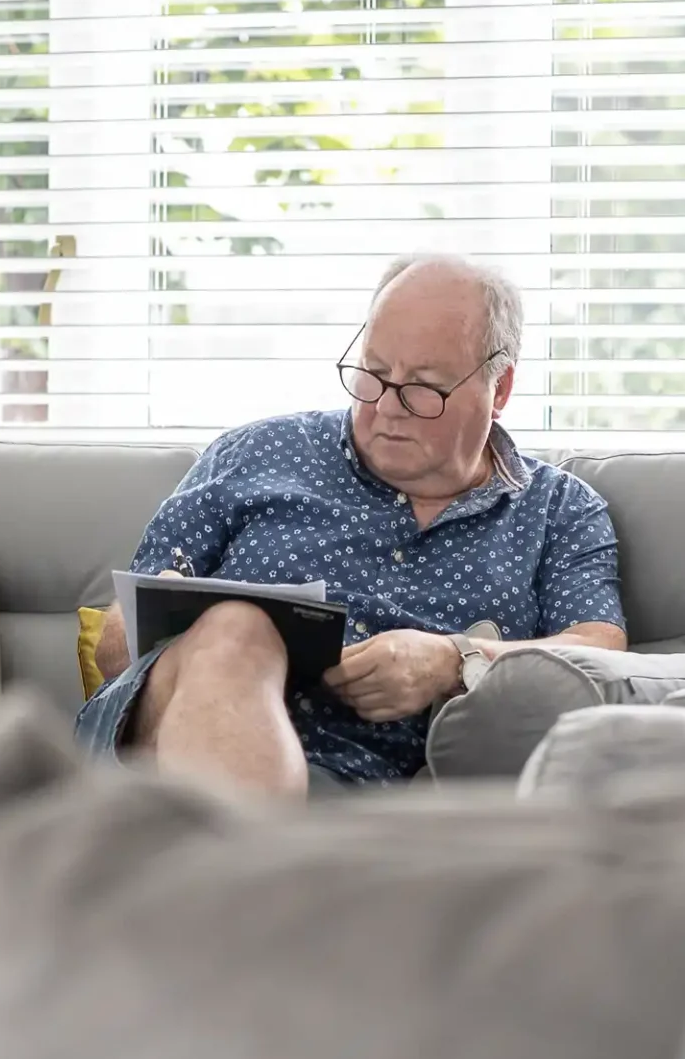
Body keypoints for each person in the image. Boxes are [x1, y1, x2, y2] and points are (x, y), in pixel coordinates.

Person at [75, 253, 627, 797]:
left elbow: (601, 651)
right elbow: (116, 642)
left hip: (379, 797)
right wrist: (201, 634)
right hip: (166, 754)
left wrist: (453, 659)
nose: (386, 407)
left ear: (498, 389)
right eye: (373, 375)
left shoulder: (560, 510)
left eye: (421, 388)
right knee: (238, 629)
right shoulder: (258, 452)